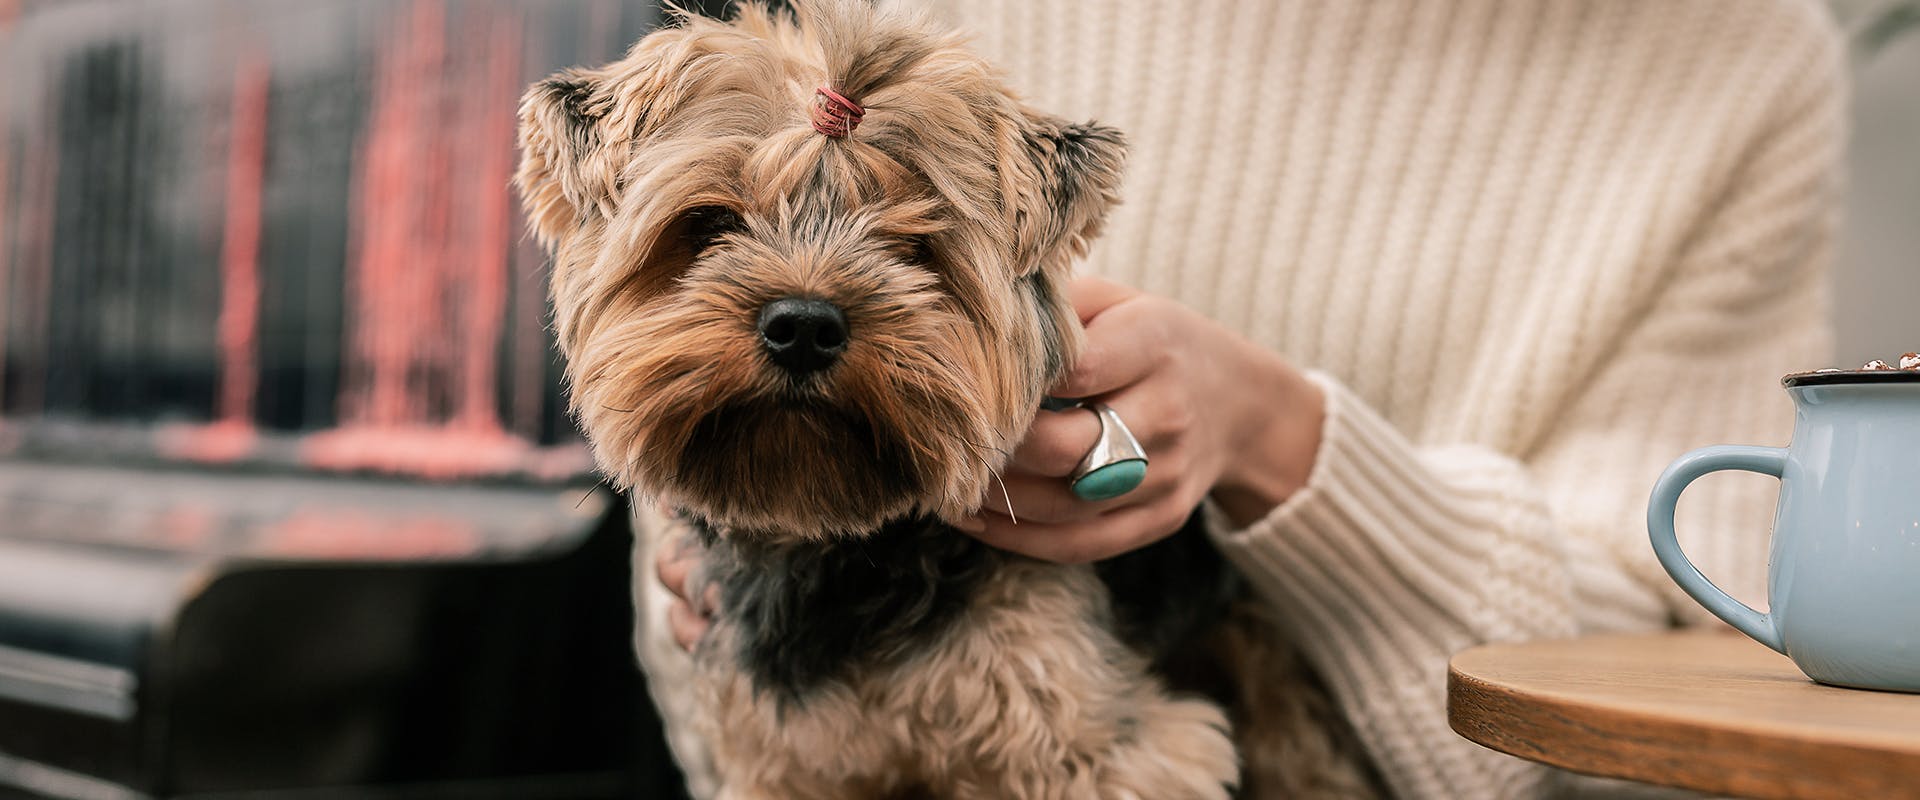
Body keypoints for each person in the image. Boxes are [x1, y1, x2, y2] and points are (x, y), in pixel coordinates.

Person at [647, 0, 1846, 796]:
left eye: (916, 248)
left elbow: (1697, 654)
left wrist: (1282, 443)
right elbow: (645, 294)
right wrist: (710, 542)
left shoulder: (1748, 61)